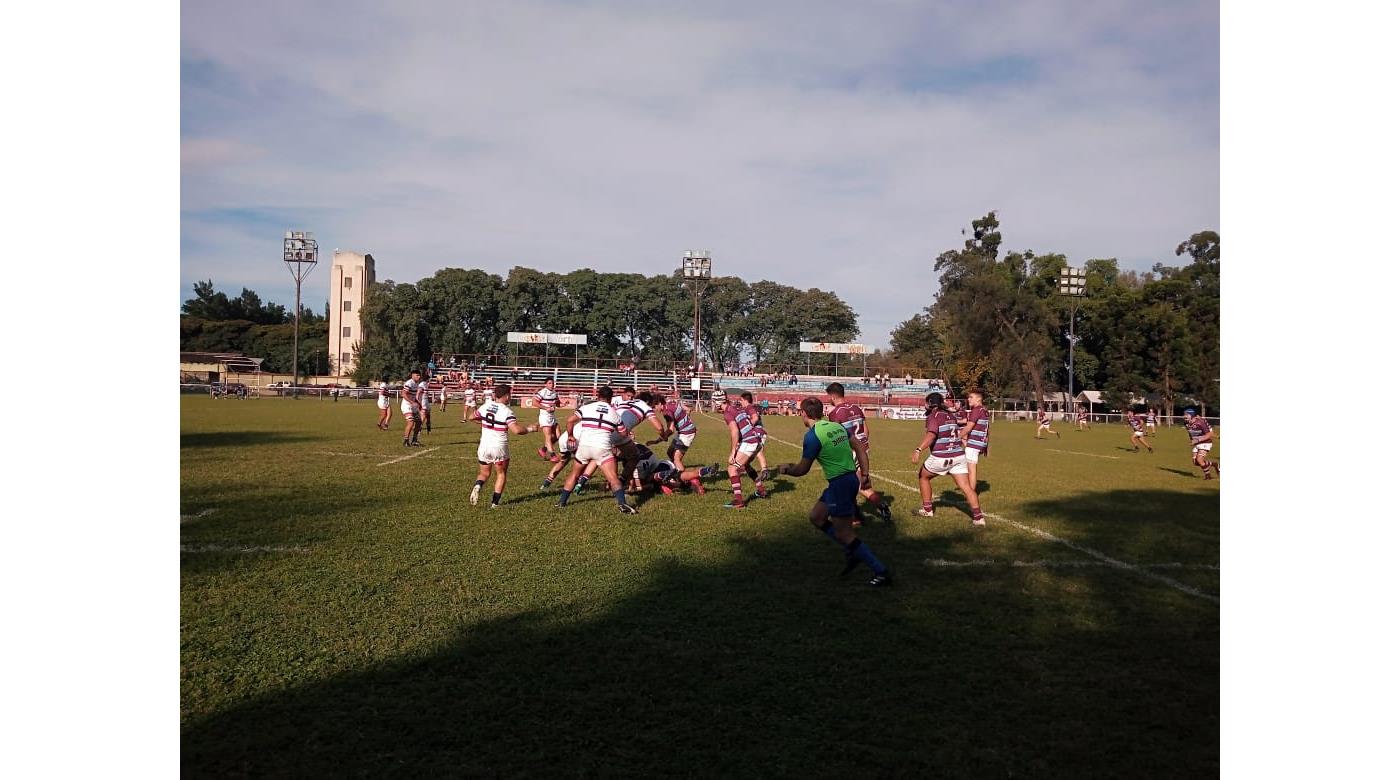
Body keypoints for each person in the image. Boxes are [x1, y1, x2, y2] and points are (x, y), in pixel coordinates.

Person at [770, 397, 892, 587]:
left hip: (840, 484)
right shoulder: (837, 426)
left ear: (804, 413)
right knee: (817, 517)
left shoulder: (813, 436)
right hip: (848, 480)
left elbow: (802, 469)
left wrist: (786, 469)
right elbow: (860, 448)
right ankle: (852, 551)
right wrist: (865, 474)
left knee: (845, 533)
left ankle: (880, 571)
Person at [556, 386, 638, 514]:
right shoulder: (614, 413)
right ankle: (622, 504)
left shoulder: (587, 407)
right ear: (610, 398)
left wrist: (571, 436)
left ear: (598, 396)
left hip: (584, 447)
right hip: (602, 448)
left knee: (574, 474)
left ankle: (562, 502)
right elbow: (623, 434)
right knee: (613, 478)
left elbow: (570, 420)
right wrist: (628, 433)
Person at [911, 392, 986, 525]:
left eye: (926, 402)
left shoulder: (934, 416)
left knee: (923, 476)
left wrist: (918, 450)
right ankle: (978, 518)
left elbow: (931, 435)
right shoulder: (951, 415)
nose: (925, 405)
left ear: (930, 403)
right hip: (958, 456)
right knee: (966, 487)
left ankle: (927, 510)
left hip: (941, 456)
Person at [825, 382, 891, 522]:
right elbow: (866, 431)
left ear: (832, 396)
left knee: (846, 485)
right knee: (861, 484)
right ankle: (880, 505)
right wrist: (863, 446)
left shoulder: (835, 413)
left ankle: (854, 518)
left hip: (851, 452)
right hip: (863, 449)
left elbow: (836, 437)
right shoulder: (856, 408)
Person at [468, 385, 540, 509]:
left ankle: (478, 485)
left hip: (484, 446)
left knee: (484, 473)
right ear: (506, 396)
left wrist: (484, 423)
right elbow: (516, 430)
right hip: (499, 447)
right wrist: (530, 429)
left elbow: (471, 417)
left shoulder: (486, 406)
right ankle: (494, 503)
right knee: (501, 474)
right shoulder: (507, 411)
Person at [722, 389, 768, 508]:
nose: (740, 402)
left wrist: (733, 451)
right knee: (746, 465)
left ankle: (739, 501)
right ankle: (761, 490)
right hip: (755, 439)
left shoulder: (731, 411)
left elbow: (735, 431)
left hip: (752, 439)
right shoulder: (737, 409)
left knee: (732, 469)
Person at [616, 390, 667, 492]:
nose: (652, 407)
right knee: (632, 456)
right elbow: (659, 427)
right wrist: (663, 436)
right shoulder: (644, 406)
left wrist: (627, 431)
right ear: (648, 402)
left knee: (604, 457)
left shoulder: (625, 403)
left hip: (604, 430)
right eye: (652, 405)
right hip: (616, 434)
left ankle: (619, 482)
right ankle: (619, 483)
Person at [652, 392, 699, 478]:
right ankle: (675, 471)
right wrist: (686, 420)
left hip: (686, 433)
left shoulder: (666, 412)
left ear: (659, 403)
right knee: (670, 452)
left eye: (654, 407)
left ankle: (684, 479)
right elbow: (688, 409)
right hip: (682, 432)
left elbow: (670, 430)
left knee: (676, 458)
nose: (654, 409)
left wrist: (659, 440)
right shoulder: (670, 403)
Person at [958, 388, 991, 491]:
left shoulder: (976, 410)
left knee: (971, 469)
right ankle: (970, 491)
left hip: (974, 443)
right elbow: (987, 429)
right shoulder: (984, 410)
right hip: (979, 443)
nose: (969, 399)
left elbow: (968, 427)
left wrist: (956, 437)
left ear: (978, 399)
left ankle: (971, 493)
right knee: (968, 467)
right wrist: (986, 445)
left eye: (971, 397)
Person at [1183, 408, 1220, 479]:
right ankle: (1215, 464)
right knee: (1195, 462)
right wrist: (1192, 440)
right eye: (1184, 414)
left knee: (1199, 459)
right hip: (1197, 443)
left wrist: (1197, 440)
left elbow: (1209, 434)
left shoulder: (1200, 422)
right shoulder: (1186, 423)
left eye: (1186, 414)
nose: (1184, 416)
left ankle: (1208, 476)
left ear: (1192, 415)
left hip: (1206, 442)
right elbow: (1190, 432)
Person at [534, 378, 562, 462]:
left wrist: (563, 404)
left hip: (552, 416)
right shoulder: (542, 392)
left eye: (552, 383)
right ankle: (553, 456)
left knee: (558, 436)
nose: (551, 385)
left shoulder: (554, 393)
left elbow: (557, 403)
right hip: (544, 417)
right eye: (549, 383)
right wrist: (546, 408)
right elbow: (534, 402)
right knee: (548, 436)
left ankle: (543, 450)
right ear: (545, 384)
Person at [399, 369, 424, 447]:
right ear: (412, 375)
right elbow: (403, 394)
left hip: (412, 405)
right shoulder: (409, 383)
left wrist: (418, 403)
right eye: (417, 375)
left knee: (419, 422)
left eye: (419, 375)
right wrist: (412, 402)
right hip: (406, 405)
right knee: (411, 422)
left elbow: (413, 396)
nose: (419, 377)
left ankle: (414, 440)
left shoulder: (416, 383)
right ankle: (406, 440)